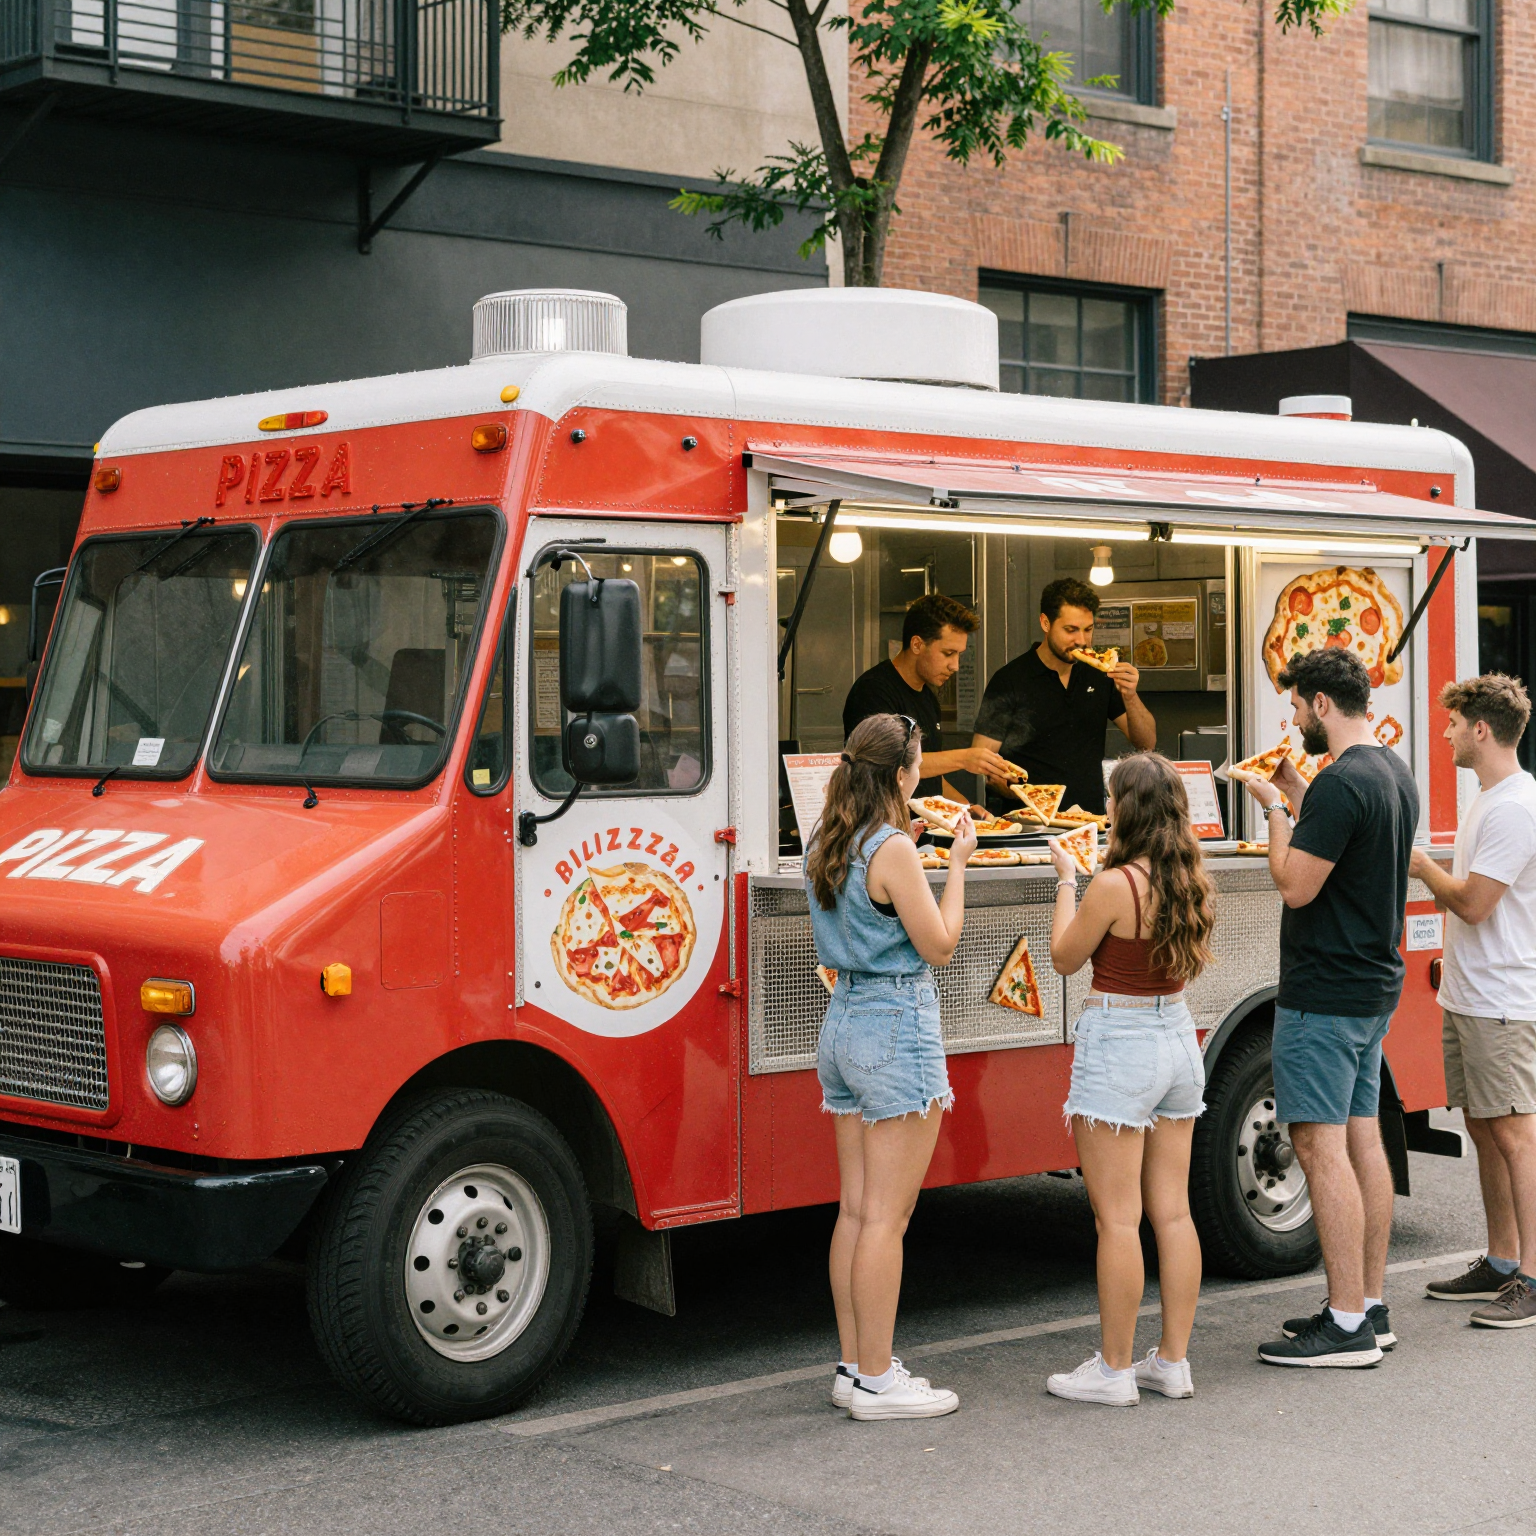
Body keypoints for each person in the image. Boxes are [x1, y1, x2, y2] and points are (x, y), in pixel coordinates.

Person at [1240, 646, 1417, 1367]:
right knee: (1361, 1137)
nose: (1292, 719)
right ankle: (1369, 1305)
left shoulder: (1343, 784)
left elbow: (1296, 885)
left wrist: (1277, 807)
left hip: (1325, 990)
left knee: (1317, 1144)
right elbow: (1349, 847)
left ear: (1320, 704)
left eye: (1295, 706)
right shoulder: (1391, 774)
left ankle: (1343, 1324)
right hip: (1373, 983)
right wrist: (1303, 790)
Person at [805, 712, 976, 1420]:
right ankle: (879, 1379)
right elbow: (938, 943)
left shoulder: (829, 835)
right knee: (888, 1217)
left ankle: (854, 1365)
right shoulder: (895, 846)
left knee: (854, 1209)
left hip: (842, 1020)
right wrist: (957, 863)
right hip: (896, 1024)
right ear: (903, 773)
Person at [1043, 752, 1215, 1406]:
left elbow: (1064, 958)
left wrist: (1066, 881)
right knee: (1173, 1213)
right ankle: (1171, 1361)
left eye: (1113, 798)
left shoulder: (1115, 885)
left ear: (1128, 810)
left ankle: (1114, 1370)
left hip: (1120, 1041)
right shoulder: (1189, 877)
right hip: (1177, 1035)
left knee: (1116, 1219)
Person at [1409, 675, 1536, 1328]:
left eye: (1454, 724)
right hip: (1472, 994)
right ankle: (1502, 1260)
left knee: (1514, 1135)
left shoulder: (1515, 806)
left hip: (1503, 999)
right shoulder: (1492, 798)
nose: (1448, 733)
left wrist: (1423, 867)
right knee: (1485, 1129)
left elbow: (1477, 905)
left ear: (1480, 730)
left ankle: (1533, 1277)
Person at [971, 577, 1156, 817]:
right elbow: (980, 759)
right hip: (1030, 822)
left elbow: (1146, 744)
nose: (1081, 640)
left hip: (1090, 819)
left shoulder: (1101, 674)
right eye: (1070, 630)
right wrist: (1013, 789)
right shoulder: (1011, 680)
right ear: (1045, 623)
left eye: (1088, 629)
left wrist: (1129, 695)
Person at [842, 592, 1012, 802]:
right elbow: (891, 767)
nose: (955, 666)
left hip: (927, 828)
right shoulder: (873, 691)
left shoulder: (928, 697)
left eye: (959, 654)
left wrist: (964, 808)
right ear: (916, 645)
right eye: (948, 653)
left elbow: (928, 776)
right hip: (887, 828)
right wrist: (965, 758)